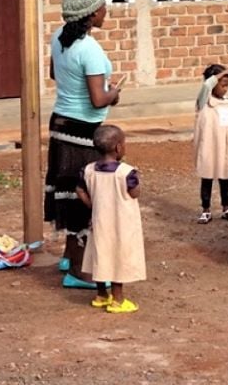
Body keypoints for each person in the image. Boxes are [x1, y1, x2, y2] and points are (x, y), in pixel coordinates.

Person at [45, 0, 122, 289]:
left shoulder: (59, 37)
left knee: (66, 189)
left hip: (61, 124)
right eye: (103, 6)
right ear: (91, 14)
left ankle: (68, 257)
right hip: (83, 131)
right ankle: (77, 272)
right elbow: (97, 99)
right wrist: (114, 92)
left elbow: (53, 73)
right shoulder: (89, 48)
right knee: (83, 197)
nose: (106, 10)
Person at [76, 124, 145, 314]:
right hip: (121, 224)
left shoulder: (88, 170)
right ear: (118, 148)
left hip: (98, 222)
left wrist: (92, 204)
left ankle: (101, 295)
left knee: (100, 255)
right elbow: (134, 193)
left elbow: (80, 189)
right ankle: (118, 300)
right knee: (118, 259)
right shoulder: (126, 172)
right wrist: (138, 180)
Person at [193, 64, 228, 224]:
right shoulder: (204, 101)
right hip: (208, 148)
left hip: (224, 148)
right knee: (207, 178)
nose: (225, 89)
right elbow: (206, 85)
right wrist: (222, 73)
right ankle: (206, 210)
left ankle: (226, 208)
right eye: (222, 85)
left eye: (227, 86)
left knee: (225, 179)